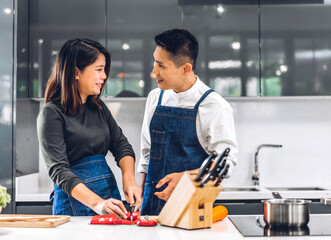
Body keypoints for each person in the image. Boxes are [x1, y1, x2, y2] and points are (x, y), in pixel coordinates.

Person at [138, 29, 238, 215]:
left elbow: (225, 163)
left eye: (161, 65)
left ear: (186, 69)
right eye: (154, 62)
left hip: (191, 207)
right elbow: (147, 152)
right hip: (150, 206)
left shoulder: (214, 106)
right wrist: (141, 194)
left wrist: (186, 179)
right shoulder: (155, 97)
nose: (154, 72)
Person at [37, 38, 141, 217]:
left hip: (109, 198)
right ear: (76, 72)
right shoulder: (51, 113)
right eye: (99, 69)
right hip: (74, 204)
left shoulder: (98, 108)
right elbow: (59, 171)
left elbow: (122, 146)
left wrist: (129, 180)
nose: (104, 76)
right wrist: (97, 203)